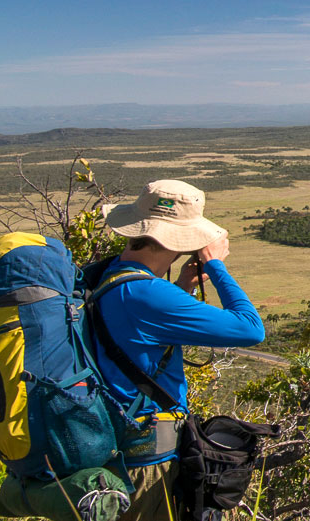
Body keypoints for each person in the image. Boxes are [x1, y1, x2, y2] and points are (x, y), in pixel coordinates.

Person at [94, 179, 265, 520]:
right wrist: (215, 265)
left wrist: (182, 287)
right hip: (144, 465)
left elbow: (135, 333)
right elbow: (250, 329)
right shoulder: (147, 294)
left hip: (108, 452)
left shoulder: (107, 275)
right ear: (176, 240)